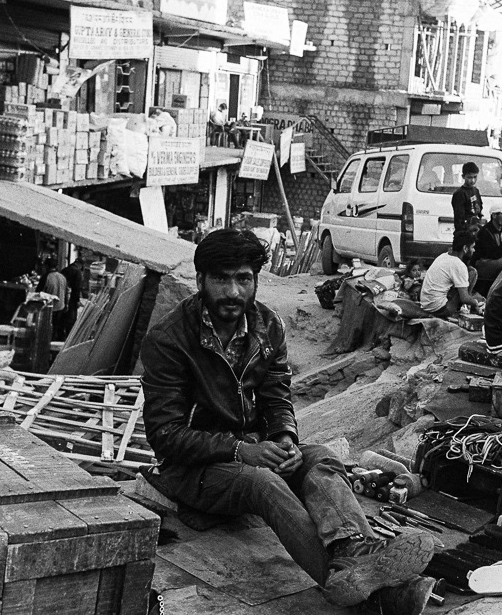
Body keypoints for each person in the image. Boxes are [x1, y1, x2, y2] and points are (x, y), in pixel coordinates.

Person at [140, 229, 436, 612]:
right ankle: (355, 587)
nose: (233, 292)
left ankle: (353, 553)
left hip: (253, 446)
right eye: (221, 279)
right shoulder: (169, 338)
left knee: (322, 458)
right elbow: (164, 436)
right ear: (200, 281)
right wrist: (241, 450)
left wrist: (284, 438)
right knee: (261, 482)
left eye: (243, 279)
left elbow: (276, 395)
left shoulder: (268, 326)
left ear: (256, 280)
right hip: (191, 467)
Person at [419, 231, 482, 319]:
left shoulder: (443, 256)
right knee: (472, 273)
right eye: (472, 247)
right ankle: (461, 309)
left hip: (426, 305)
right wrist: (475, 303)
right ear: (465, 248)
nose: (474, 250)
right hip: (440, 309)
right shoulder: (459, 265)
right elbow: (464, 298)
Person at [37, 257, 68, 339]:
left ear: (47, 266)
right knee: (56, 328)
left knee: (47, 329)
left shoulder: (46, 277)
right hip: (61, 306)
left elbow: (38, 293)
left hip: (50, 308)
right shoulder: (62, 277)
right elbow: (66, 292)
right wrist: (66, 305)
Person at [451, 162, 483, 233]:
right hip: (464, 232)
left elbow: (480, 207)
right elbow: (459, 217)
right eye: (469, 177)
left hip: (476, 230)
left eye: (475, 177)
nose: (472, 180)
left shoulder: (476, 191)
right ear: (463, 176)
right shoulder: (460, 193)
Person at [60, 257, 87, 338]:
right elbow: (76, 288)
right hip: (72, 298)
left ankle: (60, 335)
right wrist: (77, 300)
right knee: (71, 319)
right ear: (81, 265)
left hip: (62, 296)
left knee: (62, 317)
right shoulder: (77, 272)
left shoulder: (65, 269)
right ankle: (68, 337)